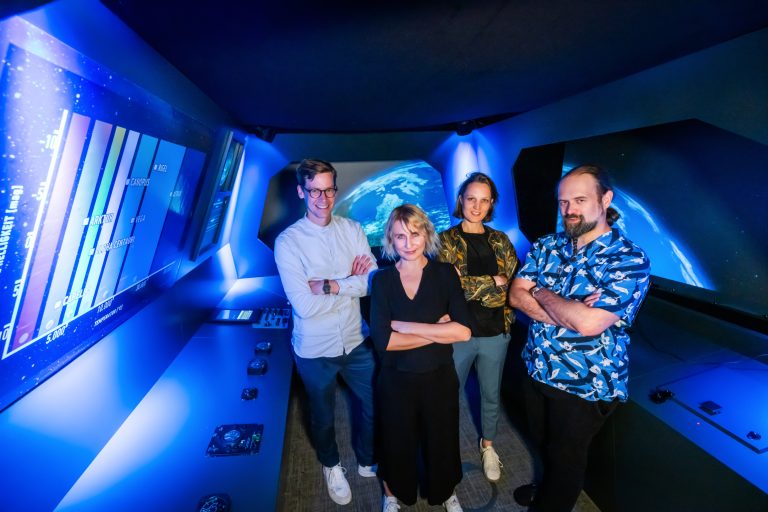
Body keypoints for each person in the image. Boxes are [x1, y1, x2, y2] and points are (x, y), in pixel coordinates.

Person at [508, 164, 650, 512]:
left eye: (580, 200)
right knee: (541, 442)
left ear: (605, 199)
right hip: (538, 368)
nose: (569, 210)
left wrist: (539, 291)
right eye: (563, 202)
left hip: (584, 383)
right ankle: (545, 486)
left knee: (566, 458)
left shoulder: (629, 260)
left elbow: (588, 324)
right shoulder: (546, 246)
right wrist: (565, 306)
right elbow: (515, 295)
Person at [274, 158, 378, 506]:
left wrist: (331, 285)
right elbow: (304, 306)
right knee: (322, 416)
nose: (323, 198)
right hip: (314, 348)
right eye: (314, 190)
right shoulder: (288, 242)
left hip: (356, 338)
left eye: (329, 189)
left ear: (336, 189)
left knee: (375, 402)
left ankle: (366, 457)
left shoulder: (353, 230)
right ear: (302, 192)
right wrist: (351, 282)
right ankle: (331, 465)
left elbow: (372, 282)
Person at [370, 204, 472, 512]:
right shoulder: (382, 280)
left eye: (415, 234)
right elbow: (383, 342)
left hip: (438, 377)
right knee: (395, 441)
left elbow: (463, 332)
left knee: (442, 440)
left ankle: (446, 492)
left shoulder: (445, 274)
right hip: (395, 380)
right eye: (400, 236)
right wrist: (438, 330)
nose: (408, 243)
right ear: (390, 239)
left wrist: (405, 327)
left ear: (426, 234)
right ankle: (391, 493)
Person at [437, 172, 519, 482]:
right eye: (471, 198)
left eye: (484, 200)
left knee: (490, 394)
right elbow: (451, 289)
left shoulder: (501, 240)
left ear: (492, 204)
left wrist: (475, 286)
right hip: (458, 332)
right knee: (447, 395)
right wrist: (490, 283)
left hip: (496, 333)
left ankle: (488, 447)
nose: (477, 206)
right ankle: (445, 449)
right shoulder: (445, 241)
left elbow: (512, 288)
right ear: (461, 200)